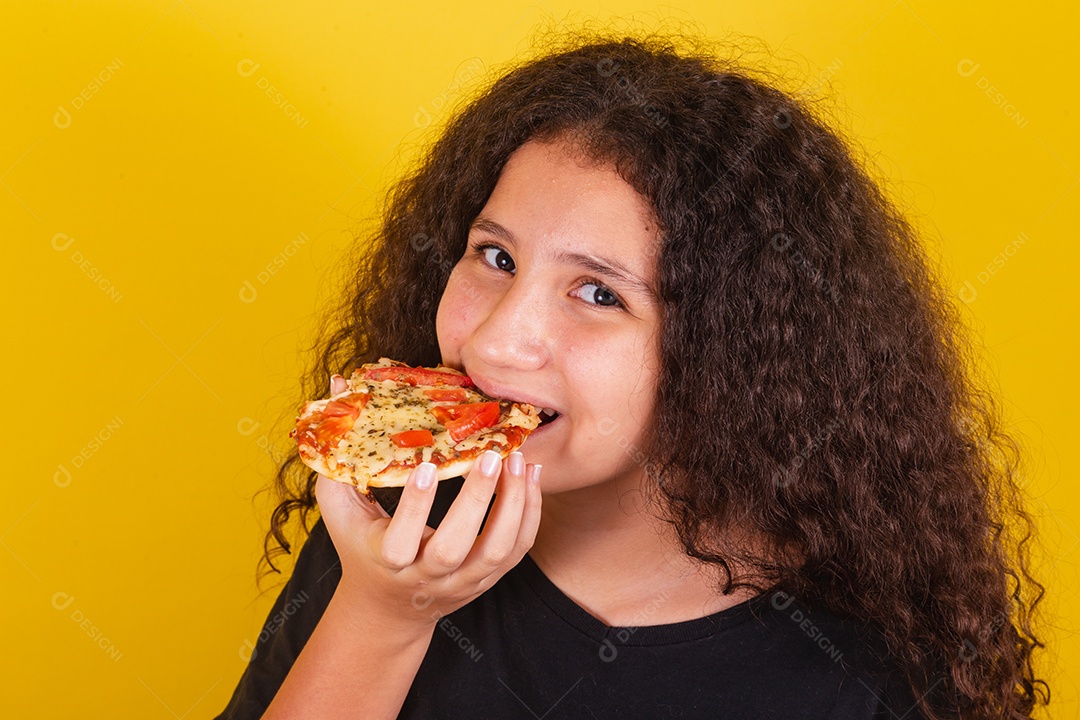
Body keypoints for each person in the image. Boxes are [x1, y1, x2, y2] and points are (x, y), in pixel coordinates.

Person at [216, 33, 1049, 720]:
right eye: (496, 256)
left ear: (729, 354)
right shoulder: (391, 540)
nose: (500, 343)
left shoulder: (863, 673)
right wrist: (382, 615)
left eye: (598, 293)